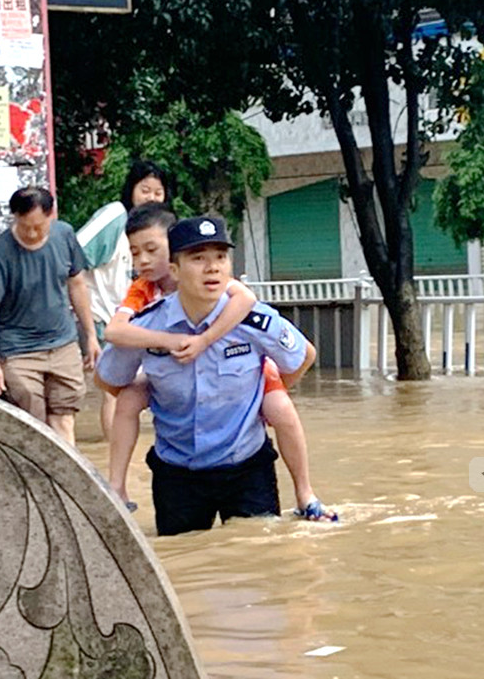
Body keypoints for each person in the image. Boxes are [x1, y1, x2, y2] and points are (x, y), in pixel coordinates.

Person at [103, 203, 336, 521]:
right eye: (198, 258)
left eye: (220, 258)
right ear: (174, 269)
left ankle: (305, 494)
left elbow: (302, 356)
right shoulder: (146, 323)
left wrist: (262, 395)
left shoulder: (252, 320)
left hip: (247, 468)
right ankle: (115, 487)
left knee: (261, 554)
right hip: (177, 473)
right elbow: (108, 379)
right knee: (185, 560)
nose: (211, 268)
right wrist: (153, 391)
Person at [0, 186, 101, 446]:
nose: (32, 234)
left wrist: (90, 335)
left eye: (39, 227)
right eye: (25, 227)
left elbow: (77, 284)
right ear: (15, 218)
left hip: (62, 343)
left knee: (64, 418)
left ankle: (66, 482)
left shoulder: (64, 235)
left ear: (51, 216)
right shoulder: (2, 252)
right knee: (34, 423)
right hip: (19, 350)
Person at [76, 160, 168, 439]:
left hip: (138, 322)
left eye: (158, 192)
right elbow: (74, 255)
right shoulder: (115, 217)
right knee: (117, 390)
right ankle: (117, 458)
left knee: (135, 389)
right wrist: (89, 326)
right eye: (145, 190)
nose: (151, 197)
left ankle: (125, 459)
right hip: (105, 319)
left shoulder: (160, 227)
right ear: (131, 190)